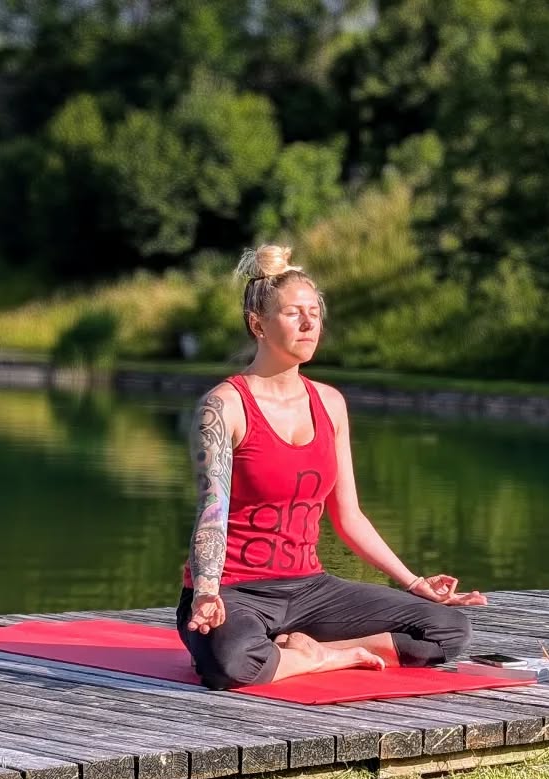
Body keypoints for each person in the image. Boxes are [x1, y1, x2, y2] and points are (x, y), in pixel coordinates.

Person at [178, 244, 485, 690]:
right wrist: (206, 591)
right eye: (293, 314)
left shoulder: (330, 403)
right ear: (257, 324)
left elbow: (349, 516)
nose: (309, 324)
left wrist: (414, 582)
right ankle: (322, 656)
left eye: (314, 313)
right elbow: (212, 513)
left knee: (448, 630)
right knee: (230, 662)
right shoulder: (224, 406)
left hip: (309, 590)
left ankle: (301, 653)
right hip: (235, 591)